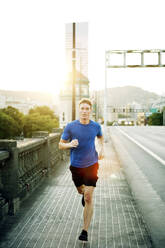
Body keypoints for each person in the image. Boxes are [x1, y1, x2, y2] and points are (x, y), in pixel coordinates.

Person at [59, 98, 104, 242]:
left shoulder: (96, 126)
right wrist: (70, 144)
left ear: (91, 110)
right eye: (82, 108)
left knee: (88, 197)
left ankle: (84, 231)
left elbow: (101, 137)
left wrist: (102, 148)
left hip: (92, 164)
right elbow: (60, 145)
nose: (84, 111)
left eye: (87, 109)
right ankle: (83, 194)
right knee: (81, 192)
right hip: (76, 166)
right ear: (79, 110)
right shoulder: (71, 126)